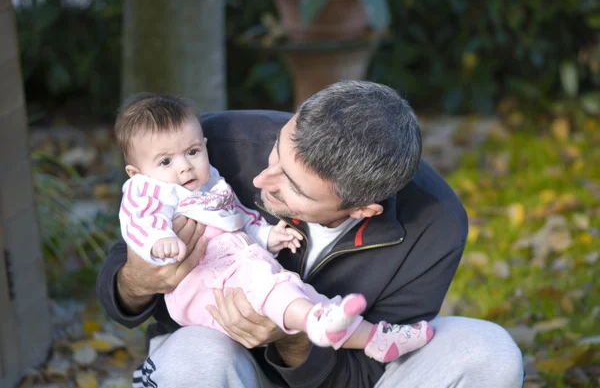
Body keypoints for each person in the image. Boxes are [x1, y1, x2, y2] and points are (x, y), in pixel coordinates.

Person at [97, 81, 524, 388]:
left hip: (333, 370)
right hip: (221, 366)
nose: (263, 179)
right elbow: (126, 265)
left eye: (293, 187)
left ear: (362, 209)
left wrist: (292, 338)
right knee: (194, 356)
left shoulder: (435, 227)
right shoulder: (210, 145)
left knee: (489, 352)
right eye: (277, 151)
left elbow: (363, 376)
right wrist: (137, 281)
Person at [114, 92, 433, 362]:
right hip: (207, 287)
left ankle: (375, 339)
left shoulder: (207, 180)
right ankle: (317, 321)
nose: (184, 166)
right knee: (281, 295)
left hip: (243, 270)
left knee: (305, 296)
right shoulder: (150, 189)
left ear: (363, 209)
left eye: (193, 152)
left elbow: (236, 216)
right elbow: (139, 221)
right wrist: (158, 243)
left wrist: (267, 234)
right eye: (166, 162)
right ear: (135, 172)